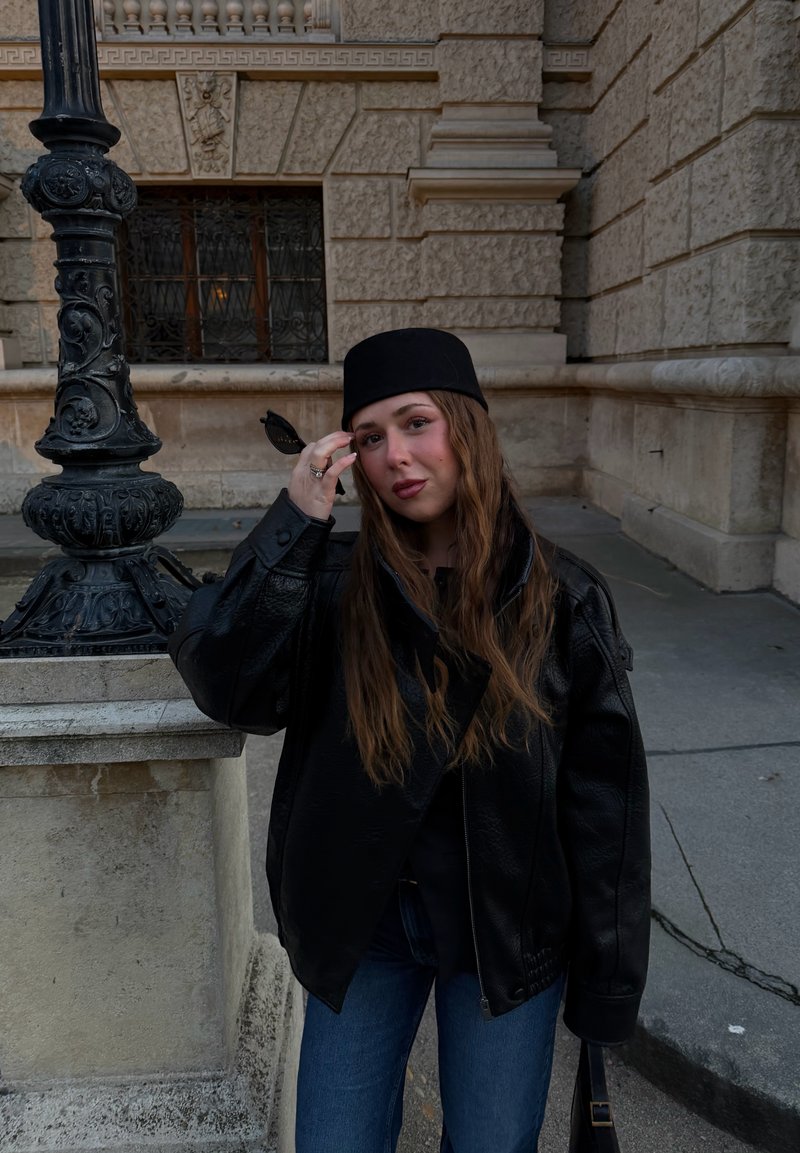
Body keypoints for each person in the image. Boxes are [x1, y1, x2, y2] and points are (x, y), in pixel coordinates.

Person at [169, 327, 650, 1153]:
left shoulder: (560, 597)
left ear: (467, 427)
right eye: (369, 436)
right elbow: (228, 685)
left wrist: (608, 986)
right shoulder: (331, 580)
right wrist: (293, 522)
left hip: (504, 931)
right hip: (366, 926)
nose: (395, 455)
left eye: (416, 422)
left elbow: (607, 807)